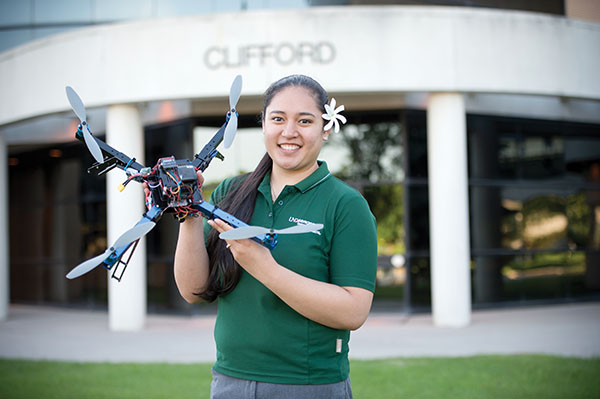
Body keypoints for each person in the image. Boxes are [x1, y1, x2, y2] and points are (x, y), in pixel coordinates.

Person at [173, 74, 378, 399]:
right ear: (264, 125)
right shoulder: (232, 191)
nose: (289, 131)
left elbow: (354, 311)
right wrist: (188, 215)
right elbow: (193, 291)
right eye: (278, 119)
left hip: (308, 386)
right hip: (229, 381)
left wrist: (265, 268)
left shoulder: (345, 205)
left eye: (305, 120)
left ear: (326, 129)